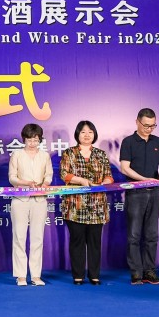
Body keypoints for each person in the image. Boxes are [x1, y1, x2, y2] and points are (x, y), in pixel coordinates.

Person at [119, 108, 159, 285]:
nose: (149, 129)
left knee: (152, 234)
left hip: (154, 191)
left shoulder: (158, 141)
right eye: (146, 125)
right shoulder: (128, 142)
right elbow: (125, 168)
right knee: (134, 235)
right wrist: (144, 180)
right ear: (137, 122)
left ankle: (150, 271)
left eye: (153, 126)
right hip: (135, 193)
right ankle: (136, 272)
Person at [60, 120, 114, 286]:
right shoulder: (69, 153)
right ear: (77, 134)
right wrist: (82, 181)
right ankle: (78, 276)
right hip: (75, 204)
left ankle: (94, 275)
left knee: (95, 242)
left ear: (94, 134)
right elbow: (64, 174)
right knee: (77, 241)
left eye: (90, 132)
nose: (87, 135)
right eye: (83, 132)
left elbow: (109, 176)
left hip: (97, 204)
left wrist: (105, 182)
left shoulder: (101, 154)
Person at [8, 123, 53, 286]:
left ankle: (35, 275)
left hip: (39, 200)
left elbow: (49, 175)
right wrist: (26, 183)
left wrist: (45, 184)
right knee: (19, 237)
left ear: (40, 139)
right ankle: (21, 275)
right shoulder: (17, 155)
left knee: (37, 238)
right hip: (20, 199)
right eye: (29, 140)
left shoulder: (45, 156)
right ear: (24, 139)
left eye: (36, 139)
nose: (32, 143)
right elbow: (12, 177)